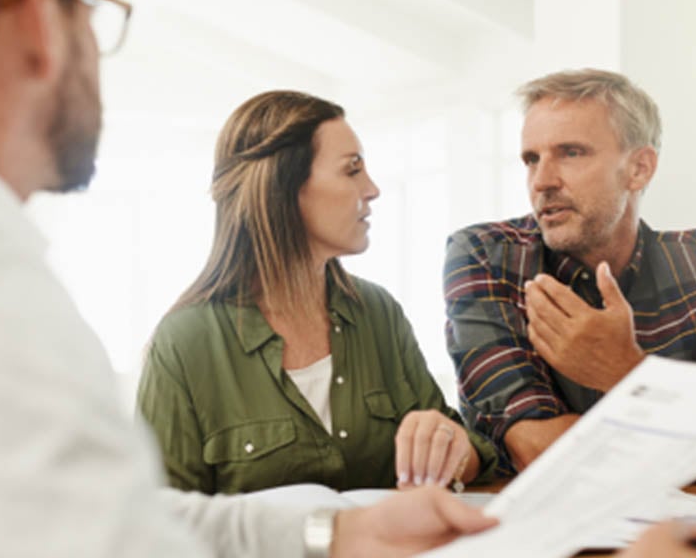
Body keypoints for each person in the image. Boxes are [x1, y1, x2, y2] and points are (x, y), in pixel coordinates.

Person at [0, 0, 504, 556]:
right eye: (96, 12)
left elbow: (144, 518)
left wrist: (340, 533)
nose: (374, 189)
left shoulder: (377, 313)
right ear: (42, 16)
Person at [137, 90, 498, 495]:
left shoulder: (378, 312)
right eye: (351, 170)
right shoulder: (185, 343)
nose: (372, 189)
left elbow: (464, 455)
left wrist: (455, 450)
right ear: (282, 188)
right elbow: (158, 517)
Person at [443, 68, 696, 475]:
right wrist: (692, 434)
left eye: (571, 153)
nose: (542, 181)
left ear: (639, 169)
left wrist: (625, 370)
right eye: (531, 159)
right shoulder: (486, 255)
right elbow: (537, 450)